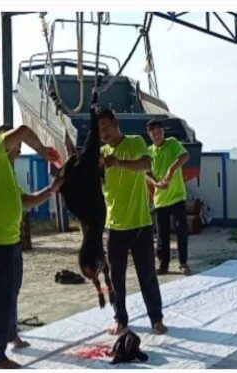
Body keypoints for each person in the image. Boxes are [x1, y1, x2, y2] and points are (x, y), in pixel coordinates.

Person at [0, 124, 63, 369]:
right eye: (16, 146)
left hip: (10, 241)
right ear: (4, 140)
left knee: (10, 291)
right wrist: (44, 151)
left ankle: (10, 333)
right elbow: (22, 130)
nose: (19, 150)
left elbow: (26, 201)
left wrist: (51, 190)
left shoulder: (7, 173)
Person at [99, 109, 168, 336]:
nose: (103, 133)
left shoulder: (135, 141)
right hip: (114, 226)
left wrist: (118, 163)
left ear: (116, 123)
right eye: (99, 130)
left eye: (106, 127)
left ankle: (156, 318)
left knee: (147, 274)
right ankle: (120, 318)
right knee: (116, 278)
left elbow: (146, 164)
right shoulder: (100, 154)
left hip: (140, 223)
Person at [145, 120, 191, 275]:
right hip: (160, 199)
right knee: (162, 235)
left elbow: (185, 156)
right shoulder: (148, 151)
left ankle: (183, 262)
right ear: (149, 134)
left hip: (177, 196)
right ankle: (163, 264)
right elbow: (146, 173)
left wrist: (171, 170)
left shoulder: (172, 143)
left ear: (163, 132)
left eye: (159, 132)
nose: (157, 135)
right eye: (154, 133)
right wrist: (156, 184)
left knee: (181, 231)